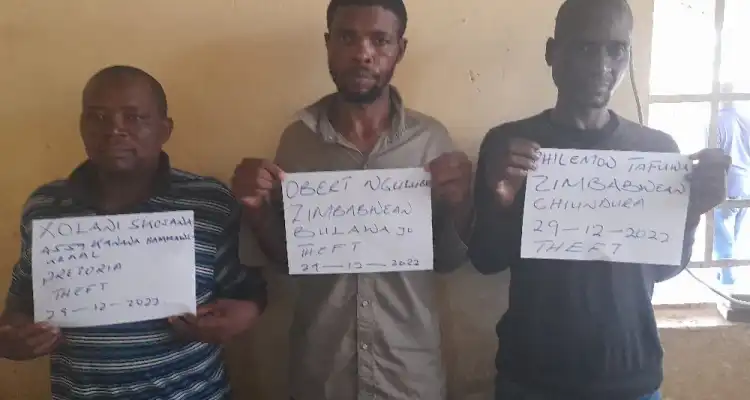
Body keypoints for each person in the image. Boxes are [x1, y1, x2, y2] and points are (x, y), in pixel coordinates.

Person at [468, 1, 730, 399]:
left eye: (616, 50)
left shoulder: (656, 151)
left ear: (629, 55)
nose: (601, 65)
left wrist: (692, 214)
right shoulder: (508, 146)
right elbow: (486, 261)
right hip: (532, 377)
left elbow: (662, 270)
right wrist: (501, 201)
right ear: (552, 53)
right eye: (585, 47)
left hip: (630, 376)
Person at [231, 0, 472, 398]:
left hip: (408, 375)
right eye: (347, 38)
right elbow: (289, 259)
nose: (363, 54)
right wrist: (256, 211)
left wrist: (460, 204)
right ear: (328, 44)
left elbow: (448, 260)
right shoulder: (297, 142)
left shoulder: (431, 140)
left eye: (380, 40)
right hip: (322, 373)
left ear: (400, 49)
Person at [0, 65, 267, 400]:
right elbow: (21, 301)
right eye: (98, 117)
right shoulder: (45, 207)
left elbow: (248, 289)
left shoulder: (209, 202)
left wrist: (242, 316)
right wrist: (12, 337)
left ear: (164, 130)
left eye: (134, 117)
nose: (115, 130)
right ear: (82, 127)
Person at [713, 82, 750, 285]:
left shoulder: (715, 121)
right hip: (745, 181)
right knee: (734, 230)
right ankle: (725, 270)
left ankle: (727, 274)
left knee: (721, 229)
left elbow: (713, 155)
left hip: (727, 180)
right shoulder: (745, 119)